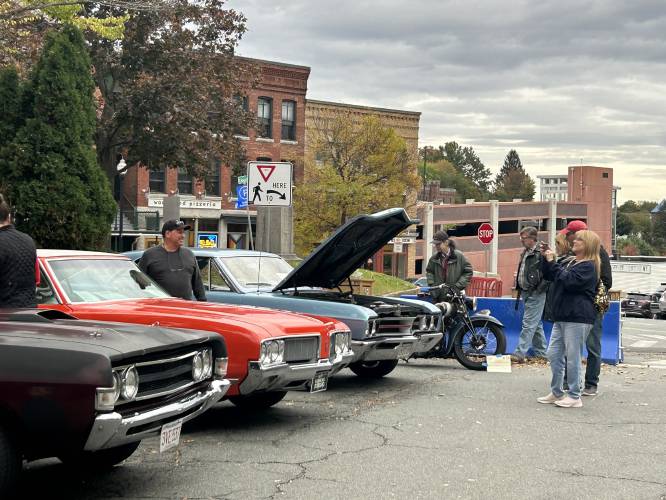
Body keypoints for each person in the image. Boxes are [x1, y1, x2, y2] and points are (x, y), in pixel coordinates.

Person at [537, 230, 600, 408]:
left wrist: (553, 263)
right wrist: (546, 258)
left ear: (587, 244)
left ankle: (574, 395)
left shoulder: (589, 266)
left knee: (573, 357)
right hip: (563, 315)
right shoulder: (573, 262)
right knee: (553, 353)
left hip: (578, 317)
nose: (574, 241)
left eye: (579, 239)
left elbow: (569, 281)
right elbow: (551, 276)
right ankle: (557, 392)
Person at [561, 220, 612, 396]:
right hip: (575, 307)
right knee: (571, 347)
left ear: (579, 234)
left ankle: (591, 383)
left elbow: (607, 281)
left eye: (570, 235)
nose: (568, 238)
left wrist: (588, 289)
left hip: (592, 306)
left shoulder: (599, 252)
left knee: (592, 346)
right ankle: (569, 381)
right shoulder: (574, 253)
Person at [138, 219, 206, 301]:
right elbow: (139, 284)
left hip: (184, 310)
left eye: (183, 232)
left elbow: (197, 284)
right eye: (179, 232)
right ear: (167, 234)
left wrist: (203, 302)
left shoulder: (189, 254)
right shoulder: (149, 255)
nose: (183, 235)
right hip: (160, 310)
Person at [512, 227, 548, 363]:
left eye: (524, 237)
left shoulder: (541, 252)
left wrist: (538, 289)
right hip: (526, 292)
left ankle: (519, 353)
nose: (521, 240)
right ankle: (542, 353)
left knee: (528, 323)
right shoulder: (526, 252)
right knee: (535, 324)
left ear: (533, 238)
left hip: (535, 293)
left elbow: (548, 274)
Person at [0, 194, 37, 308]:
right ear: (9, 217)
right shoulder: (28, 239)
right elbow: (37, 278)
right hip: (29, 313)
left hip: (4, 316)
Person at [425, 230, 473, 302]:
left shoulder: (459, 256)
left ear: (446, 242)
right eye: (435, 244)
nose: (436, 246)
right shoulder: (434, 258)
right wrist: (432, 285)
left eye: (438, 244)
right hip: (438, 297)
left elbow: (468, 272)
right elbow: (429, 272)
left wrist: (458, 286)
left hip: (455, 297)